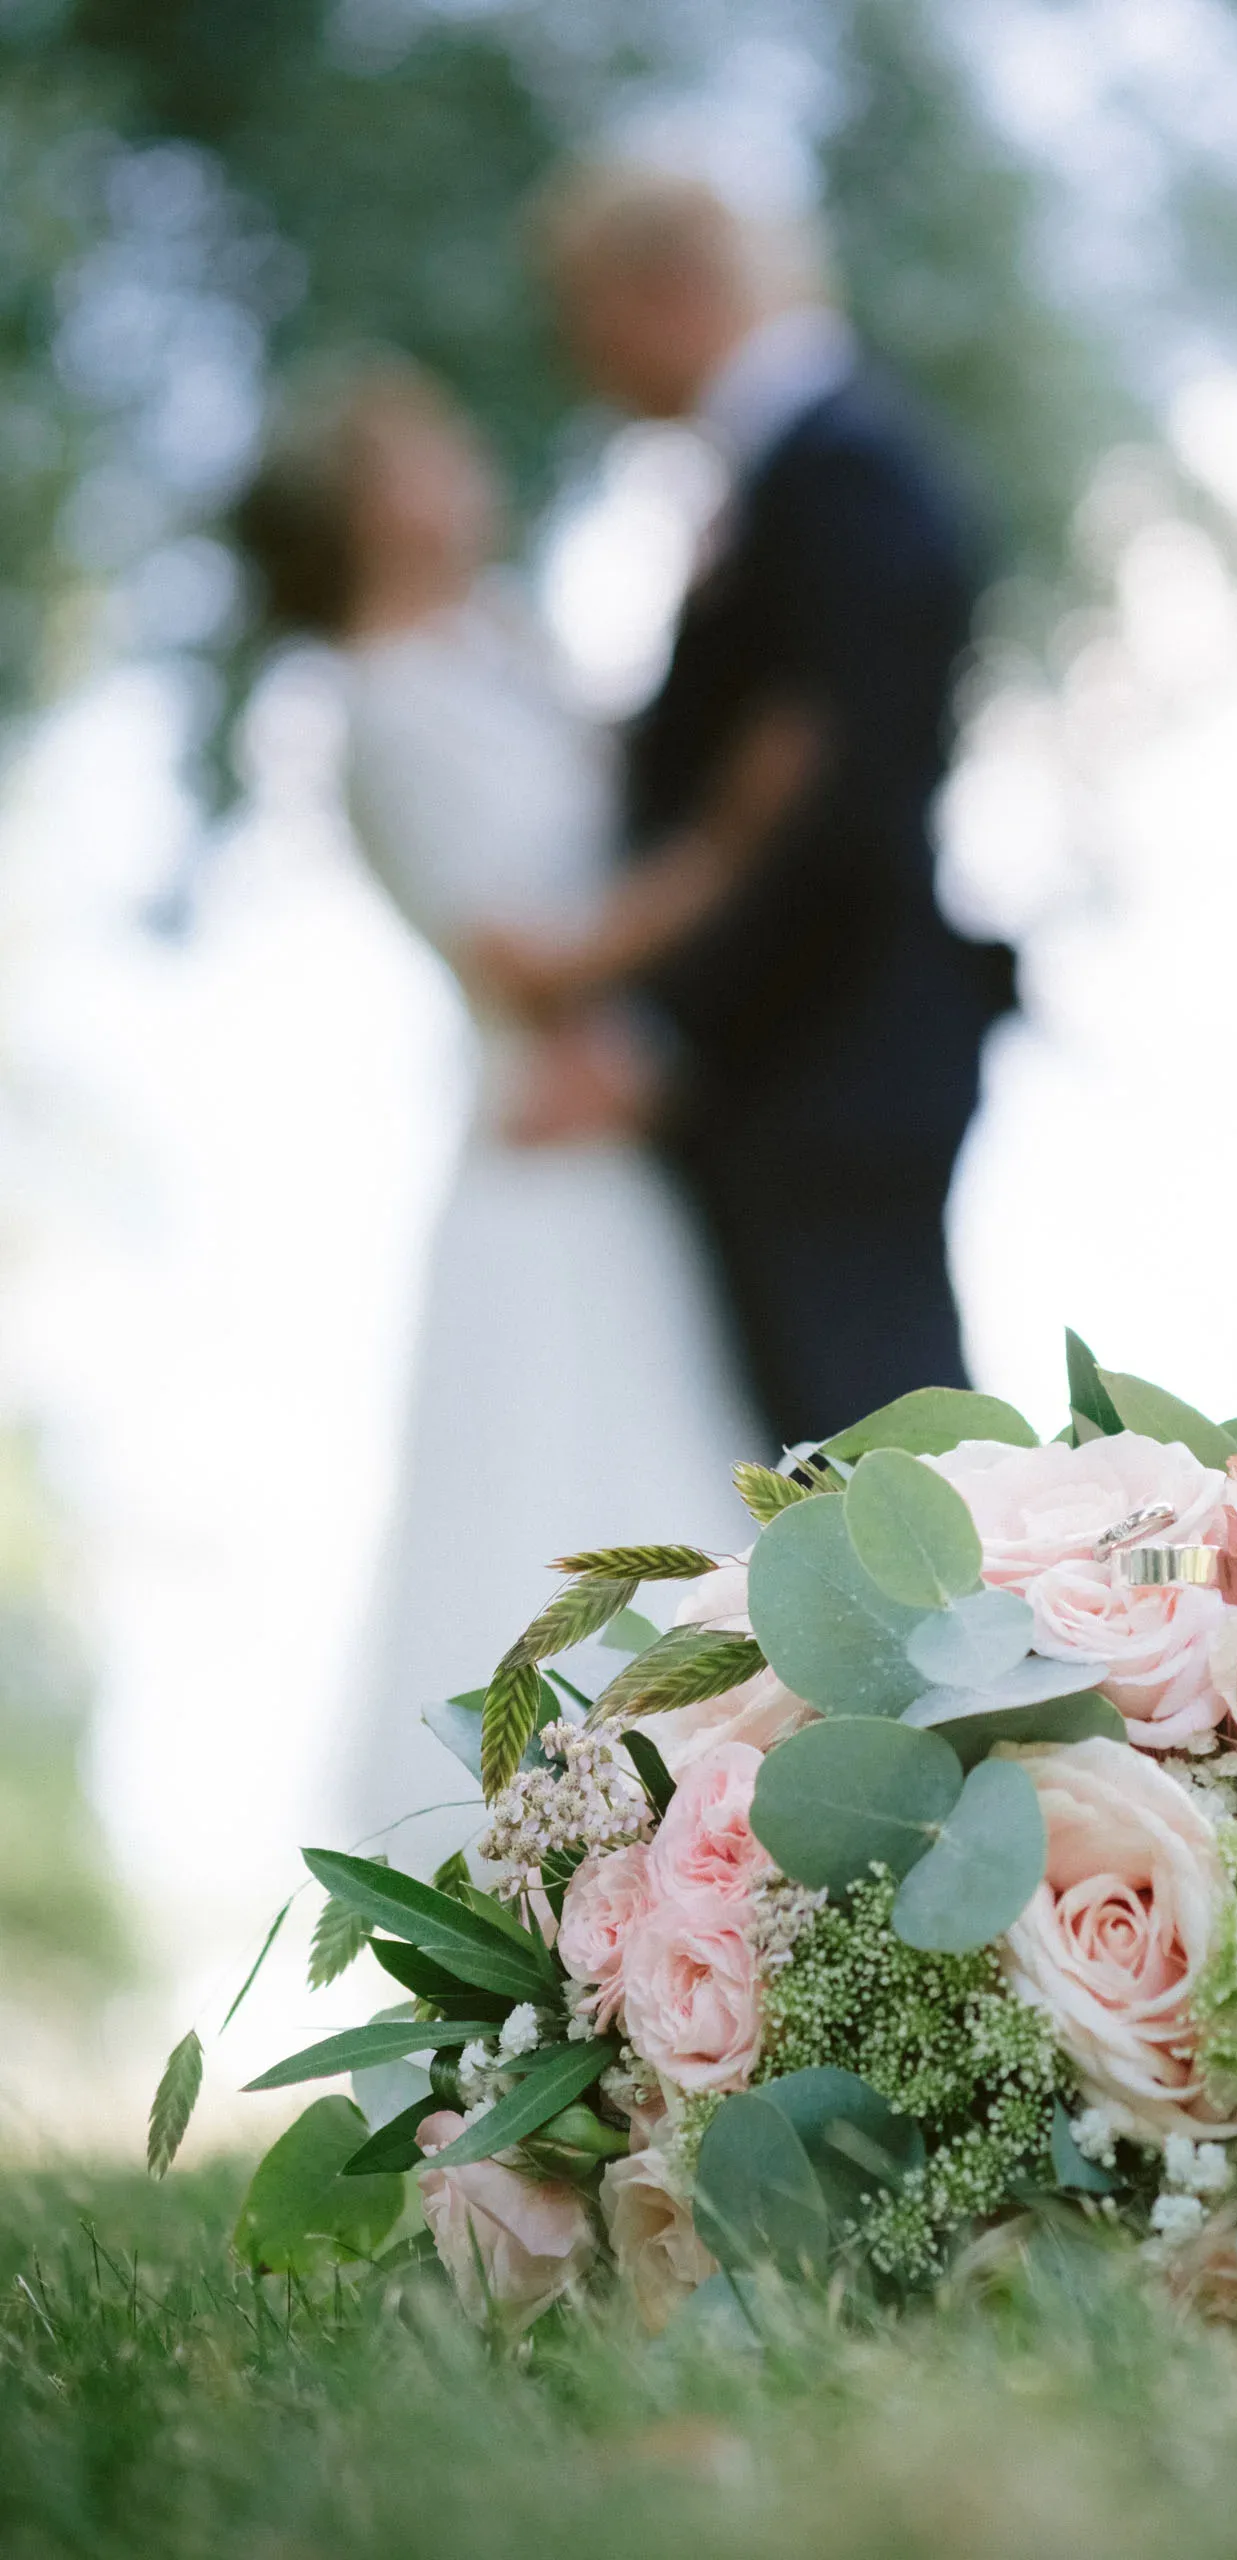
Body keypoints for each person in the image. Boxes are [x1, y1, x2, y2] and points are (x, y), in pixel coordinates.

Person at [231, 361, 761, 1863]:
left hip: (613, 1130)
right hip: (547, 1153)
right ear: (364, 507)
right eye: (418, 439)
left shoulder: (495, 648)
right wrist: (742, 839)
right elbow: (520, 951)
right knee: (558, 1495)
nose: (461, 450)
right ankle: (547, 1886)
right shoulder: (375, 706)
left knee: (669, 1465)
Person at [469, 170, 1016, 1449]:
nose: (577, 356)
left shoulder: (844, 475)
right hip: (798, 1073)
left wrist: (659, 1031)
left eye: (581, 313)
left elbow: (840, 810)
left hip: (828, 1071)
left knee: (893, 1508)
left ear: (661, 293)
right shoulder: (782, 481)